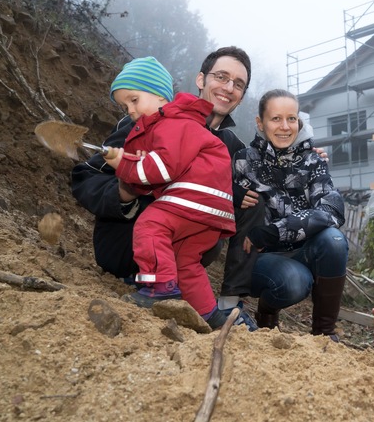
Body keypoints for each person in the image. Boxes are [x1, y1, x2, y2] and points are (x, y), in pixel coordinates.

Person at [71, 47, 260, 331]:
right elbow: (86, 177)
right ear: (201, 79)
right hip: (126, 246)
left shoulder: (234, 147)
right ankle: (154, 282)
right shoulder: (148, 120)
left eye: (238, 84)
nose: (228, 87)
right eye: (221, 76)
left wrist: (302, 157)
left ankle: (221, 307)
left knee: (253, 202)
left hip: (187, 241)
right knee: (157, 218)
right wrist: (127, 191)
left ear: (242, 96)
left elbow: (262, 187)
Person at [102, 57, 236, 330]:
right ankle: (212, 317)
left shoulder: (173, 122)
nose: (130, 110)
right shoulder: (176, 125)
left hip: (194, 198)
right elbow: (155, 179)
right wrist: (136, 167)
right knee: (184, 261)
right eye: (125, 106)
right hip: (209, 209)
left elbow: (162, 168)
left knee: (150, 224)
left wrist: (124, 165)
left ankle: (158, 288)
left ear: (161, 96)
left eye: (134, 100)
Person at [232, 89, 348, 341]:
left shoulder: (313, 161)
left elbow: (332, 208)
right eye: (276, 119)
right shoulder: (244, 161)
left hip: (301, 249)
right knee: (295, 281)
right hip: (259, 258)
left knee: (335, 240)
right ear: (260, 123)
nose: (285, 127)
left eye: (291, 119)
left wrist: (275, 231)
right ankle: (267, 310)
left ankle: (324, 333)